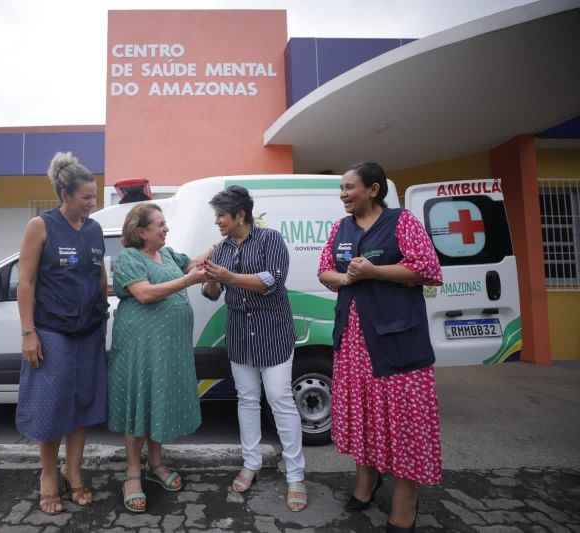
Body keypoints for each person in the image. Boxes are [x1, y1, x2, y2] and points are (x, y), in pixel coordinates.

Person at [317, 162, 443, 533]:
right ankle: (367, 478)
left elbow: (428, 269)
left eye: (349, 187)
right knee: (364, 414)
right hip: (353, 342)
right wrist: (345, 278)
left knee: (404, 419)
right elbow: (325, 270)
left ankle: (406, 498)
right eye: (341, 188)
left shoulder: (402, 222)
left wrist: (374, 272)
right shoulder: (340, 228)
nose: (343, 194)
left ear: (373, 189)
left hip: (397, 339)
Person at [201, 185, 307, 512]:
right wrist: (212, 277)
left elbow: (271, 281)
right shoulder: (220, 249)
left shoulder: (269, 239)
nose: (217, 221)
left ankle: (296, 475)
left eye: (221, 215)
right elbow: (212, 294)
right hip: (239, 334)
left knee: (279, 399)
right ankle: (251, 463)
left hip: (272, 331)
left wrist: (228, 276)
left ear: (240, 215)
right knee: (246, 399)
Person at [15, 151, 109, 516]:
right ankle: (49, 476)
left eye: (94, 196)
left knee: (83, 403)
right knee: (52, 405)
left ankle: (74, 470)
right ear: (64, 194)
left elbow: (99, 274)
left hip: (89, 331)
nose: (92, 203)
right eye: (86, 197)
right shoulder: (41, 226)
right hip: (53, 330)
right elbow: (26, 283)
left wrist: (103, 311)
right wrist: (28, 332)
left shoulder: (94, 229)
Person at [107, 203, 206, 513]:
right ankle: (132, 473)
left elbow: (195, 263)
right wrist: (188, 281)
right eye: (159, 224)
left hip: (168, 347)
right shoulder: (130, 258)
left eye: (165, 223)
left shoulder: (169, 254)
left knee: (157, 399)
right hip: (140, 346)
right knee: (139, 401)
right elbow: (145, 293)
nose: (166, 228)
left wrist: (225, 241)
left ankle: (156, 463)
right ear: (141, 231)